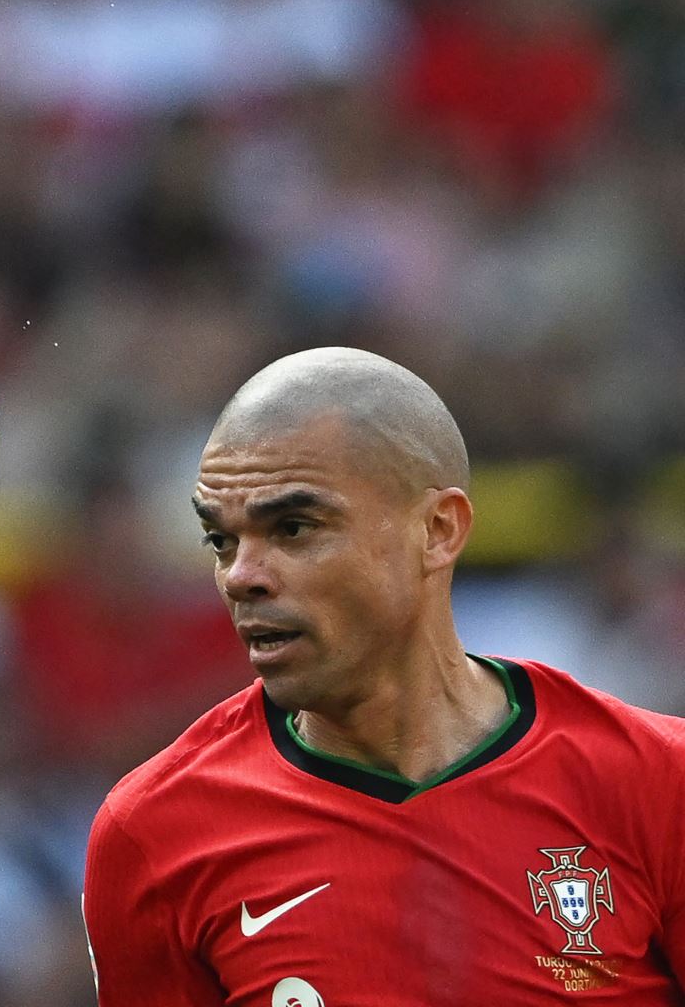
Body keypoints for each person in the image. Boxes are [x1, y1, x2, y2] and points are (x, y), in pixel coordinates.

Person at [82, 347, 685, 1004]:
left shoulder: (656, 785)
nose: (241, 576)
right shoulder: (153, 834)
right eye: (221, 541)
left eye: (293, 528)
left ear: (437, 530)